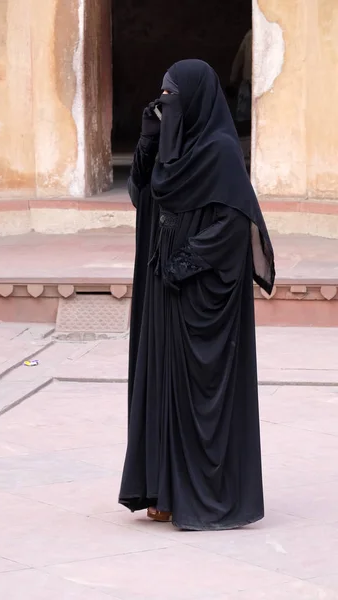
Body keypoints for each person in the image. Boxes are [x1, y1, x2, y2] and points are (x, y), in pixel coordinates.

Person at [118, 59, 275, 531]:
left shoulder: (222, 150)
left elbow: (233, 224)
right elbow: (143, 193)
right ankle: (163, 490)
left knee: (199, 396)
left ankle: (206, 496)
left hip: (204, 295)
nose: (165, 104)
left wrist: (184, 264)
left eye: (172, 95)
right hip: (167, 292)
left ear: (196, 98)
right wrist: (148, 138)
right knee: (165, 389)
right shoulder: (174, 149)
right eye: (161, 95)